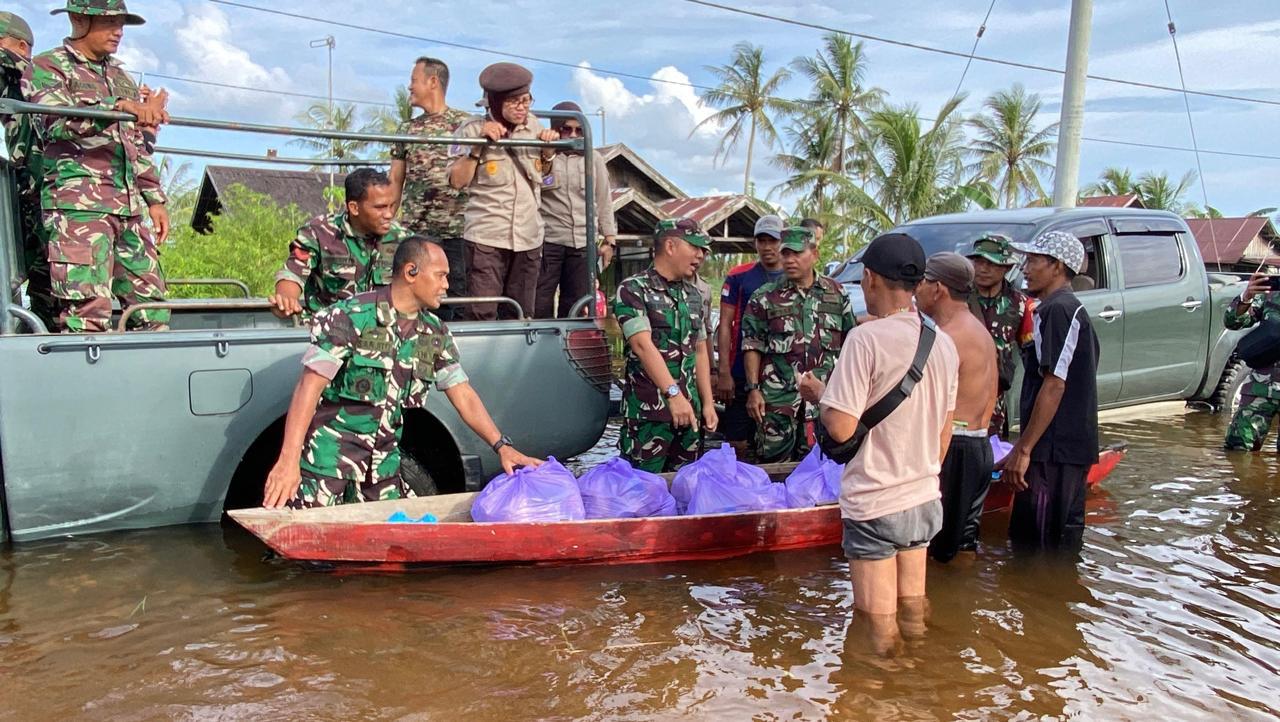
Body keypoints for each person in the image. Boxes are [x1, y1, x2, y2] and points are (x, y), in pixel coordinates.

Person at [262, 237, 542, 509]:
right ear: (411, 272)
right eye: (441, 275)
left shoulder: (434, 333)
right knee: (310, 548)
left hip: (383, 470)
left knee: (387, 549)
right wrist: (287, 462)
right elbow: (308, 389)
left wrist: (502, 446)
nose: (447, 285)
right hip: (327, 466)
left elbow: (463, 394)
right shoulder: (352, 317)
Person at [815, 232, 958, 651]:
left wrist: (821, 398)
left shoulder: (866, 339)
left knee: (876, 626)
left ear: (871, 278)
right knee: (912, 611)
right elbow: (944, 431)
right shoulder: (943, 343)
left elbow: (841, 428)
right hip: (925, 497)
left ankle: (880, 698)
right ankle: (919, 681)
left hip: (876, 501)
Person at [26, 0, 171, 333]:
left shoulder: (120, 76)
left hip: (129, 209)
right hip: (79, 211)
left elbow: (133, 143)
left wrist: (155, 198)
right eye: (108, 23)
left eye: (121, 24)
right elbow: (53, 122)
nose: (118, 32)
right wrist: (117, 107)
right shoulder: (48, 66)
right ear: (79, 20)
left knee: (152, 309)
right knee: (87, 313)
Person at [999, 230, 1100, 553]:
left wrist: (1024, 450)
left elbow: (1054, 384)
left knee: (1039, 548)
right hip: (1057, 449)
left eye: (1033, 261)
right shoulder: (1054, 309)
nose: (1025, 269)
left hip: (1055, 454)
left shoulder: (1059, 311)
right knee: (1051, 543)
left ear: (1057, 266)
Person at [447, 62, 559, 321]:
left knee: (520, 314)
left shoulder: (535, 128)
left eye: (526, 100)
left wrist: (548, 154)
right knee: (481, 312)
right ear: (495, 102)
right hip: (487, 237)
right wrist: (478, 147)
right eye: (514, 102)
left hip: (529, 237)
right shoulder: (471, 129)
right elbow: (456, 181)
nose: (522, 108)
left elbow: (546, 179)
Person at [741, 226, 855, 463]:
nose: (790, 260)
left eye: (797, 253)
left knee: (820, 466)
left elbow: (850, 342)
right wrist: (753, 389)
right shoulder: (764, 297)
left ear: (814, 254)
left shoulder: (836, 294)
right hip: (777, 401)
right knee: (772, 468)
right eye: (785, 254)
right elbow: (752, 344)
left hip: (823, 400)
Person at [614, 218, 718, 473]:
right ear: (670, 246)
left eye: (704, 250)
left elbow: (701, 350)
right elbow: (641, 345)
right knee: (642, 490)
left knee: (685, 488)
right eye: (695, 247)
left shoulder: (694, 295)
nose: (700, 256)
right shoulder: (633, 289)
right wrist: (673, 395)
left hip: (689, 414)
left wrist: (707, 402)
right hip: (649, 415)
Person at [915, 253, 998, 563]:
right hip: (978, 446)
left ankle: (933, 608)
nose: (916, 290)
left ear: (939, 289)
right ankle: (963, 608)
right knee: (963, 542)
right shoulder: (977, 329)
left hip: (955, 448)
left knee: (935, 550)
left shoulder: (947, 338)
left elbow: (918, 399)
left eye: (921, 283)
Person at [389, 56, 471, 318]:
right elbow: (395, 181)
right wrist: (388, 224)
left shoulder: (467, 125)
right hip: (418, 233)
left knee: (457, 301)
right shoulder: (407, 130)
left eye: (414, 80)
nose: (410, 87)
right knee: (417, 301)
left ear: (432, 81)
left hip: (459, 233)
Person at [269, 168, 411, 318]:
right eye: (380, 207)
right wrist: (286, 300)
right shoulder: (319, 233)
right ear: (354, 208)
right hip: (330, 332)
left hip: (384, 334)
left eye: (391, 206)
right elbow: (292, 274)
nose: (389, 214)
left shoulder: (404, 240)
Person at [535, 100, 617, 318]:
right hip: (548, 240)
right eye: (566, 129)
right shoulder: (542, 155)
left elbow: (603, 200)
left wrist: (609, 240)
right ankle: (540, 350)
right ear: (555, 129)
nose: (573, 134)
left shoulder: (594, 158)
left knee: (577, 304)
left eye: (579, 130)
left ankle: (569, 348)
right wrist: (548, 154)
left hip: (583, 242)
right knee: (540, 301)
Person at [714, 214, 786, 457]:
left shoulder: (793, 274)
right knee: (737, 440)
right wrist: (723, 371)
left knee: (777, 441)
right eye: (761, 240)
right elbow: (725, 324)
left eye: (773, 241)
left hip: (780, 373)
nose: (767, 247)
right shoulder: (739, 276)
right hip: (740, 370)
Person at [0, 11, 54, 325]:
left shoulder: (17, 68)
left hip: (24, 197)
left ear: (20, 46)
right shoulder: (46, 80)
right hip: (39, 197)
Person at [965, 233, 1034, 437]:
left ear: (1007, 268)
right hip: (956, 395)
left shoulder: (1021, 305)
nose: (983, 269)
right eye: (978, 262)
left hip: (994, 403)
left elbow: (1030, 357)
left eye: (991, 263)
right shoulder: (955, 298)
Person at [1222, 272, 1280, 451]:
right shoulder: (1271, 292)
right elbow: (1233, 322)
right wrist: (1246, 297)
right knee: (1237, 449)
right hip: (1261, 389)